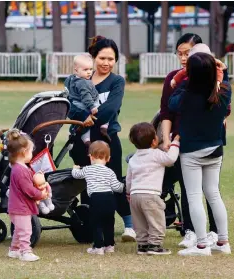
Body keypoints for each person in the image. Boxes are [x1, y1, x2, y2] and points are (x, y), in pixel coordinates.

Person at [159, 33, 228, 248]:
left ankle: (200, 244)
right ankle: (223, 242)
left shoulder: (187, 93)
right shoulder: (224, 88)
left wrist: (180, 79)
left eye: (189, 55)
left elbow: (172, 104)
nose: (183, 59)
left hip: (191, 149)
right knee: (213, 193)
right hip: (214, 147)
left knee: (194, 195)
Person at [68, 35, 136, 242]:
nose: (106, 63)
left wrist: (90, 119)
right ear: (93, 57)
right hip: (82, 140)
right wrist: (82, 118)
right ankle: (91, 226)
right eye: (102, 58)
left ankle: (129, 226)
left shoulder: (117, 81)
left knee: (113, 181)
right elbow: (69, 105)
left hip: (107, 140)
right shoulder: (78, 80)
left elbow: (111, 108)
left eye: (111, 59)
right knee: (87, 183)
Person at [126, 123, 180, 255]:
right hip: (151, 195)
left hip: (135, 195)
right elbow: (171, 159)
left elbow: (129, 178)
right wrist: (175, 143)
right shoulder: (156, 154)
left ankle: (143, 245)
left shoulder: (134, 158)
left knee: (140, 223)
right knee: (157, 221)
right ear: (154, 141)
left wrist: (128, 193)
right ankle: (155, 245)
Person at [72, 141, 124, 255]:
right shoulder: (110, 172)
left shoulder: (87, 169)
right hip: (109, 199)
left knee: (97, 223)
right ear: (108, 158)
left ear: (90, 157)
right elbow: (117, 188)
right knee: (109, 223)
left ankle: (98, 247)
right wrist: (123, 185)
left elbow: (76, 175)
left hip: (96, 199)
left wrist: (75, 168)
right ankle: (109, 245)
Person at [6, 129, 48, 262]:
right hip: (20, 207)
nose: (32, 154)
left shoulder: (20, 168)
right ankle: (25, 251)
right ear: (24, 152)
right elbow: (28, 190)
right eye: (30, 151)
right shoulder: (20, 170)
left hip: (18, 207)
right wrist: (40, 194)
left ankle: (14, 250)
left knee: (19, 230)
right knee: (25, 231)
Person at [65, 54, 109, 146]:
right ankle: (104, 126)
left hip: (76, 103)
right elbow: (86, 96)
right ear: (76, 70)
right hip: (86, 103)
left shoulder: (71, 79)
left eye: (90, 69)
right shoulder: (83, 83)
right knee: (105, 106)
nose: (89, 72)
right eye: (85, 70)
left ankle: (86, 140)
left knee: (85, 123)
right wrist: (92, 106)